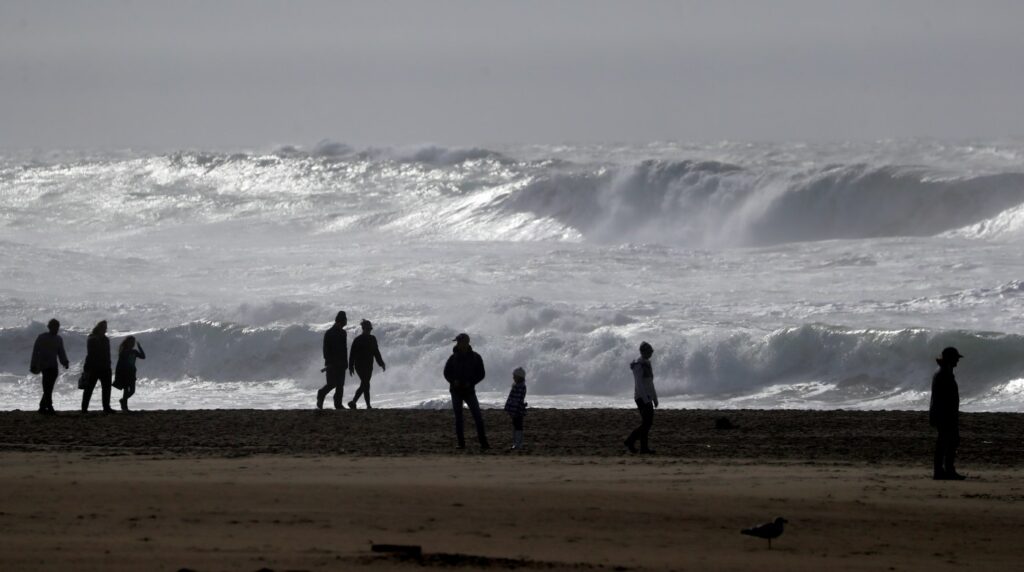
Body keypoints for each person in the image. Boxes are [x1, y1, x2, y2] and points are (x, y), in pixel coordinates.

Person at [443, 333, 489, 450]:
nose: (457, 344)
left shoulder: (475, 357)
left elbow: (481, 374)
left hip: (469, 391)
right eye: (457, 342)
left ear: (466, 342)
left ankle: (483, 443)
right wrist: (453, 381)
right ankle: (461, 443)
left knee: (477, 417)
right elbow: (446, 373)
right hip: (456, 391)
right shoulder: (453, 358)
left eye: (459, 342)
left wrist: (471, 382)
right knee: (459, 418)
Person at [930, 346, 966, 480]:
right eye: (956, 358)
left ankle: (941, 471)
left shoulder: (943, 372)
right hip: (945, 414)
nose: (958, 361)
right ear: (951, 359)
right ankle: (946, 470)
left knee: (945, 442)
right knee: (949, 442)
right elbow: (944, 398)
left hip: (943, 414)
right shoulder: (944, 374)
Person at [30, 318, 70, 415]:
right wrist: (33, 365)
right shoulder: (42, 337)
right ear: (50, 327)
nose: (56, 329)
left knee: (49, 387)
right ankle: (50, 407)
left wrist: (65, 362)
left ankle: (42, 407)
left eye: (57, 327)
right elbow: (35, 352)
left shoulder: (58, 339)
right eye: (54, 327)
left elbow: (61, 352)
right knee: (47, 387)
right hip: (44, 366)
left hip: (54, 366)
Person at [624, 341, 658, 454]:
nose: (651, 353)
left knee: (647, 423)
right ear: (643, 352)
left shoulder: (647, 363)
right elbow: (639, 384)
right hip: (641, 397)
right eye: (649, 351)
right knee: (647, 423)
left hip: (648, 397)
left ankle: (642, 447)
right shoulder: (638, 365)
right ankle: (631, 441)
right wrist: (646, 399)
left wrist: (654, 398)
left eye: (651, 351)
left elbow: (650, 383)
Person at [348, 320, 386, 410]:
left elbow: (376, 352)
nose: (369, 331)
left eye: (370, 329)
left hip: (369, 366)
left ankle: (353, 402)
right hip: (359, 366)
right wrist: (351, 366)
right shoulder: (357, 340)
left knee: (364, 384)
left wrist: (381, 363)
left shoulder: (373, 339)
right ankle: (368, 405)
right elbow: (352, 354)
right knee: (366, 384)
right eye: (367, 329)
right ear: (363, 329)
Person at [316, 311, 348, 409]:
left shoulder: (343, 333)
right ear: (340, 321)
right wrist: (329, 362)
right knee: (332, 383)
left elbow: (344, 349)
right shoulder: (329, 333)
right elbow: (326, 349)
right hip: (332, 363)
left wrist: (346, 362)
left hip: (341, 363)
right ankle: (321, 394)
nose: (345, 323)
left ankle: (338, 404)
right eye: (344, 321)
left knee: (340, 385)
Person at [82, 320, 114, 413]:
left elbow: (107, 354)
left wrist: (109, 364)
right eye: (103, 327)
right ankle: (84, 408)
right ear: (99, 328)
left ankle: (106, 407)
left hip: (105, 367)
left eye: (105, 327)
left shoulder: (105, 339)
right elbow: (91, 353)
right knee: (89, 388)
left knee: (107, 388)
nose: (105, 329)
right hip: (94, 367)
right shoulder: (92, 338)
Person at [113, 336, 146, 412]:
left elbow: (143, 356)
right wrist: (118, 374)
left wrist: (140, 347)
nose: (132, 343)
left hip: (132, 373)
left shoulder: (134, 351)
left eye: (133, 342)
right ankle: (125, 407)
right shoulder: (123, 352)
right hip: (125, 373)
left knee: (132, 391)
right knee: (126, 390)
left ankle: (122, 400)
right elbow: (119, 364)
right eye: (131, 342)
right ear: (127, 343)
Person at [503, 367, 528, 450]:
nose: (513, 377)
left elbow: (518, 399)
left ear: (519, 377)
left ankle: (518, 444)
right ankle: (516, 443)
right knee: (516, 426)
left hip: (517, 410)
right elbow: (512, 398)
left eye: (515, 376)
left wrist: (512, 408)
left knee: (518, 426)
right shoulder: (517, 386)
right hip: (515, 409)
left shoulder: (521, 387)